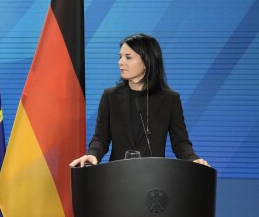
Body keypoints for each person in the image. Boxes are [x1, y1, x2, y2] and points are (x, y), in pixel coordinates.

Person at [70, 33, 209, 168]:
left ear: (147, 62)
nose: (120, 62)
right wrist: (93, 154)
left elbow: (180, 143)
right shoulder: (110, 96)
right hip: (117, 178)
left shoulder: (170, 99)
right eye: (120, 57)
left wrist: (193, 159)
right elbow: (100, 139)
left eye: (128, 57)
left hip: (154, 180)